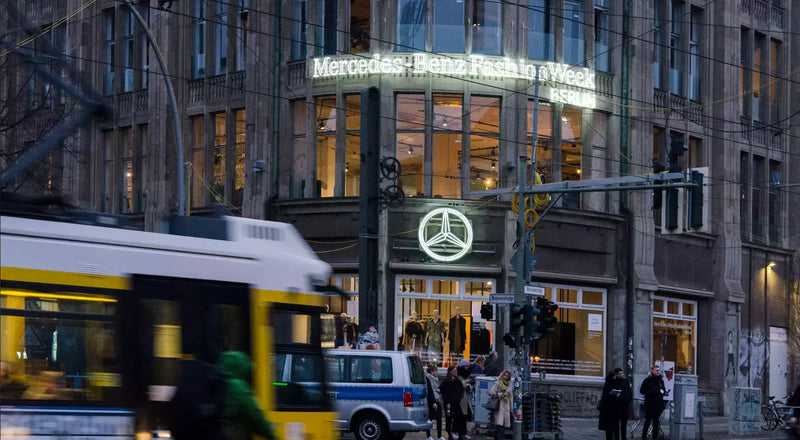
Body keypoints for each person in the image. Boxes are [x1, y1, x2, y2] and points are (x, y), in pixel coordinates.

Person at [219, 351, 277, 440]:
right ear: (241, 367)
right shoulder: (237, 386)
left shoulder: (216, 379)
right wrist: (271, 436)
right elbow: (255, 415)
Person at [598, 368, 632, 440]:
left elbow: (629, 393)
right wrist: (615, 396)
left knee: (623, 425)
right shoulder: (611, 383)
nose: (621, 375)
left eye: (621, 373)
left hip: (624, 406)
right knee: (613, 427)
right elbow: (606, 396)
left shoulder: (625, 381)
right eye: (618, 374)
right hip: (613, 409)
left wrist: (627, 400)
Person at [639, 364, 667, 440]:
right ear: (652, 371)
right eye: (656, 370)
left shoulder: (660, 380)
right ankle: (644, 437)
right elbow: (642, 390)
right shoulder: (647, 380)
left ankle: (655, 437)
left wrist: (663, 392)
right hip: (650, 404)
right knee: (647, 422)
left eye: (659, 370)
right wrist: (652, 392)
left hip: (658, 405)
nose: (658, 372)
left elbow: (663, 389)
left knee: (656, 423)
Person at [439, 365, 466, 440]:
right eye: (454, 371)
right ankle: (449, 434)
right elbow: (443, 391)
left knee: (460, 417)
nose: (456, 372)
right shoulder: (446, 382)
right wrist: (447, 402)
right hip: (449, 404)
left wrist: (460, 397)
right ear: (450, 372)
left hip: (457, 403)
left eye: (456, 371)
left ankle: (460, 433)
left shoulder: (457, 381)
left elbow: (461, 390)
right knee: (449, 419)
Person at [490, 370, 512, 440]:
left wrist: (511, 408)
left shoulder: (509, 384)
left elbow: (511, 397)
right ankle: (501, 438)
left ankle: (497, 437)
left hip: (506, 405)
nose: (505, 377)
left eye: (507, 376)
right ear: (502, 375)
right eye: (504, 375)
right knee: (500, 424)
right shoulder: (497, 383)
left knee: (501, 424)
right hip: (499, 405)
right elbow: (492, 393)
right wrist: (501, 394)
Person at [425, 365, 445, 440]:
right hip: (432, 401)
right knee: (430, 419)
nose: (437, 372)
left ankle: (439, 436)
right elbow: (430, 390)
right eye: (436, 371)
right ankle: (429, 436)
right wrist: (433, 402)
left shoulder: (435, 379)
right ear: (432, 372)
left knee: (439, 418)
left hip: (437, 399)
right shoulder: (428, 378)